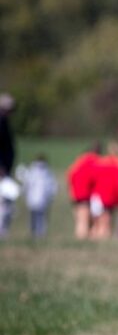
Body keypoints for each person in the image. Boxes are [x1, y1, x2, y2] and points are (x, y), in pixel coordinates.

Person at [91, 140, 118, 240]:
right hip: (108, 198)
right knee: (106, 223)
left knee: (97, 223)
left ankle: (94, 241)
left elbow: (92, 178)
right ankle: (101, 243)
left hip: (96, 196)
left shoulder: (101, 162)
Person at [67, 142, 101, 239]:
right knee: (85, 220)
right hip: (87, 194)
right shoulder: (95, 161)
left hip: (76, 194)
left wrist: (71, 192)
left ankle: (82, 237)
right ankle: (83, 239)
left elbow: (70, 175)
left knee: (81, 219)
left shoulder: (79, 161)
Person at [21, 154, 58, 238]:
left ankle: (40, 233)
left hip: (42, 199)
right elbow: (27, 185)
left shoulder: (47, 172)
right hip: (34, 199)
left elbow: (52, 186)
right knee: (35, 217)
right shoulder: (32, 172)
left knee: (41, 217)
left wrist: (51, 195)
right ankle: (34, 232)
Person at [0, 93, 17, 237]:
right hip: (2, 170)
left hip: (5, 168)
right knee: (3, 202)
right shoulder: (1, 122)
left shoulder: (4, 121)